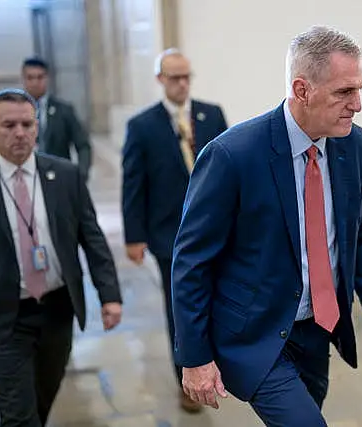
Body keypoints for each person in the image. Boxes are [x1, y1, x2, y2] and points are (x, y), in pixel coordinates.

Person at [172, 26, 362, 426]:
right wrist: (195, 357)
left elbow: (359, 235)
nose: (358, 104)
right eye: (344, 92)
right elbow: (191, 262)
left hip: (319, 329)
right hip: (256, 334)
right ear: (302, 90)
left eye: (359, 89)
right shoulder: (232, 155)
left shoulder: (354, 145)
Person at [0, 88, 123, 427]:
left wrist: (110, 296)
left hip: (57, 310)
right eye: (8, 125)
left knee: (41, 401)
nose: (19, 133)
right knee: (18, 413)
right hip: (2, 315)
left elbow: (92, 238)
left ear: (37, 127)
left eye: (27, 124)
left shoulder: (65, 175)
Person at [120, 48, 228, 412]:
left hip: (216, 230)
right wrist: (134, 235)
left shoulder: (211, 115)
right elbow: (132, 184)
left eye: (186, 76)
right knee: (180, 307)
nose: (182, 84)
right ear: (160, 80)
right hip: (169, 235)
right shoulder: (142, 126)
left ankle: (218, 364)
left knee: (219, 299)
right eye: (174, 77)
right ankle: (187, 375)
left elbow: (231, 172)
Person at [21, 57, 92, 181]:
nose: (35, 83)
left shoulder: (64, 110)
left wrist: (81, 174)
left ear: (47, 78)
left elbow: (83, 145)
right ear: (23, 79)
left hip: (59, 178)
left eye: (40, 77)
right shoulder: (14, 111)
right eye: (30, 78)